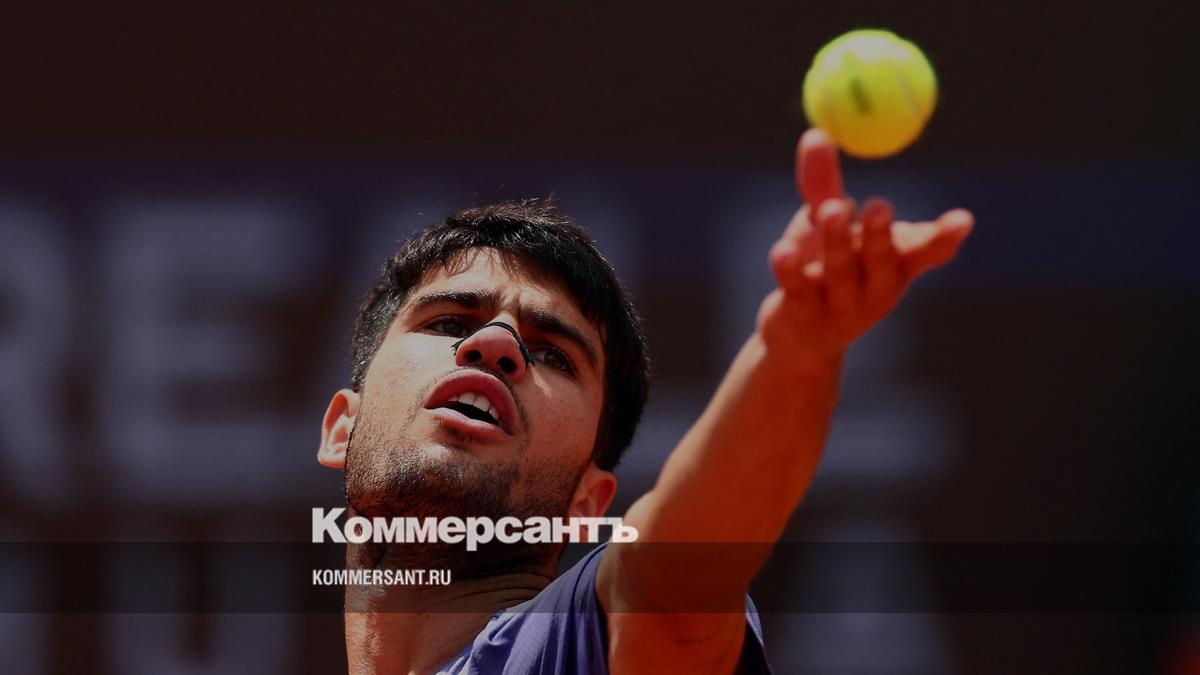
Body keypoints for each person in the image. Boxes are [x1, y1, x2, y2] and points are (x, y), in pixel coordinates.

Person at [315, 128, 974, 674]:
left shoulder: (575, 650)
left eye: (554, 354)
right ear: (341, 427)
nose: (495, 344)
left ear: (587, 505)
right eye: (448, 322)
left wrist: (798, 350)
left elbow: (675, 583)